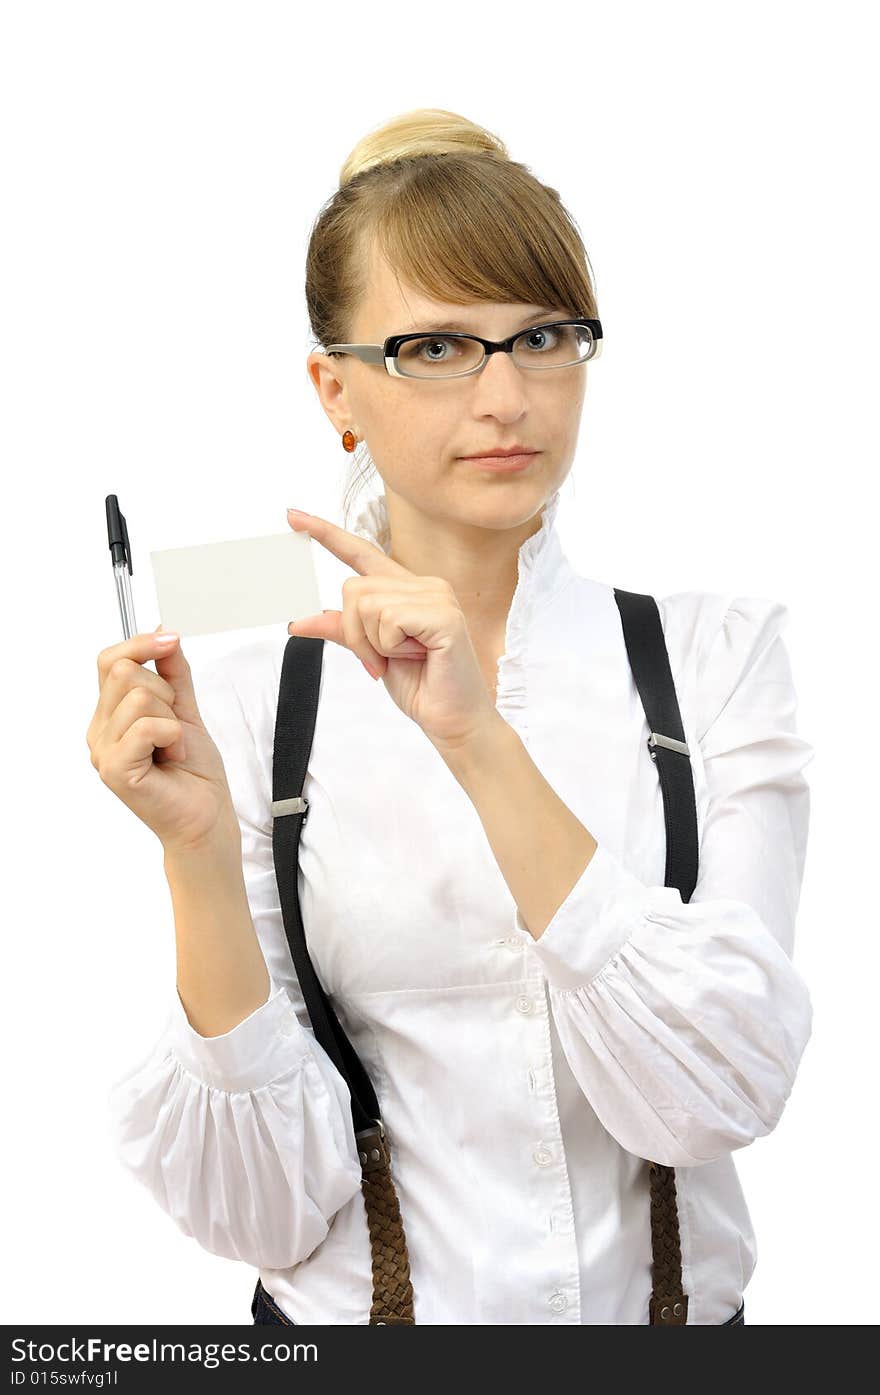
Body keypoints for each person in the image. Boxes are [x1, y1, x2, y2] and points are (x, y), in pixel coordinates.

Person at [88, 107, 814, 1325]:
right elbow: (263, 1215)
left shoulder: (713, 656)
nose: (506, 396)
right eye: (434, 349)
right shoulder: (253, 697)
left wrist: (479, 745)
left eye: (540, 338)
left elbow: (718, 1092)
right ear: (337, 391)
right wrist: (197, 856)